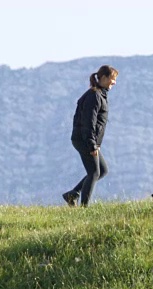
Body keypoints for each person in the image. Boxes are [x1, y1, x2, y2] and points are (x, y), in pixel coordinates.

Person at [62, 65, 118, 207]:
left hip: (88, 140)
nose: (114, 82)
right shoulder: (94, 95)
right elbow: (89, 122)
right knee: (94, 172)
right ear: (104, 78)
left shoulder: (99, 94)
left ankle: (72, 194)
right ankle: (84, 207)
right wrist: (92, 144)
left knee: (102, 170)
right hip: (85, 140)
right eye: (113, 79)